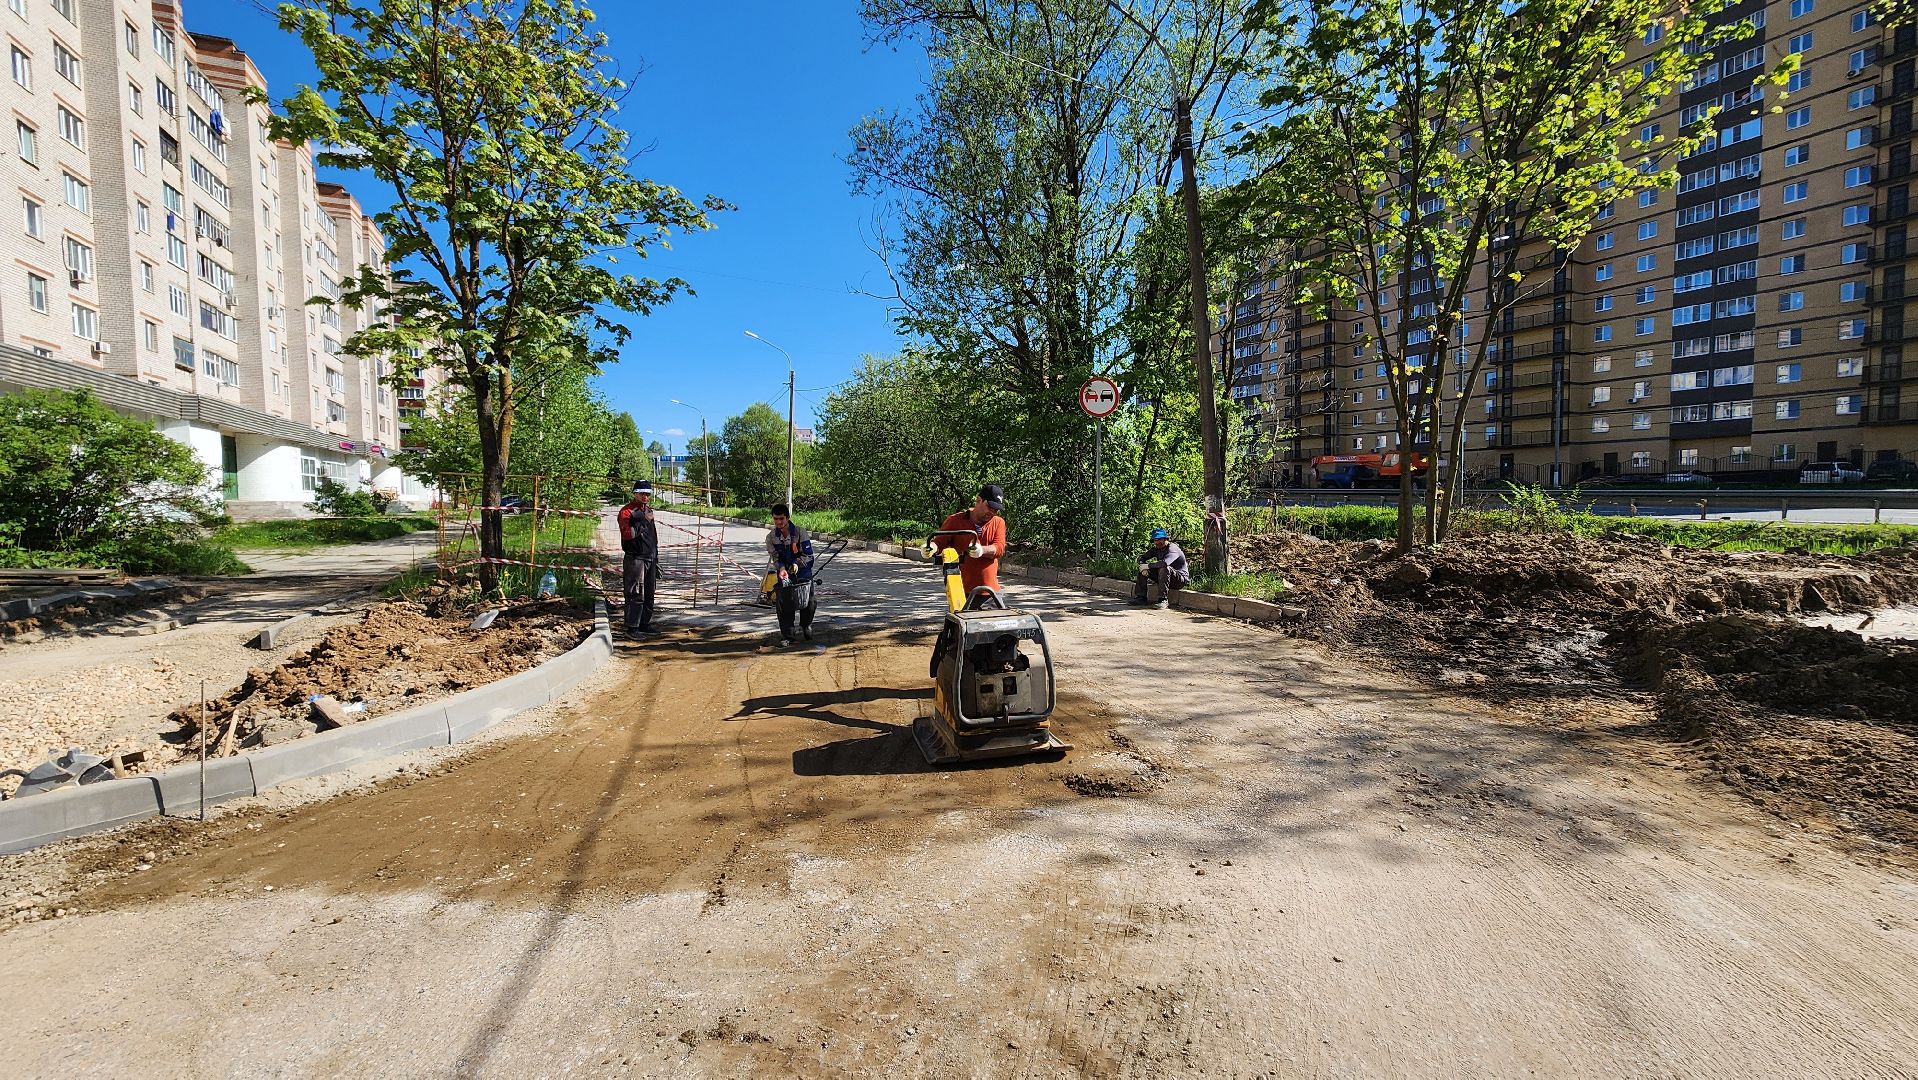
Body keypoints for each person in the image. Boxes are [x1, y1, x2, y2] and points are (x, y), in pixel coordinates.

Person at [934, 484, 1007, 601]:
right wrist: (930, 548)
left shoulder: (998, 523)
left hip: (990, 593)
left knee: (995, 619)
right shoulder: (955, 521)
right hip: (959, 592)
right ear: (978, 500)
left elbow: (999, 548)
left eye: (996, 510)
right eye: (989, 507)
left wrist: (982, 550)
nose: (992, 512)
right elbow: (939, 542)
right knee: (961, 619)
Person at [764, 503, 817, 645]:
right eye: (775, 519)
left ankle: (806, 625)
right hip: (785, 573)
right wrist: (781, 569)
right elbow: (775, 558)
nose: (778, 522)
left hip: (803, 570)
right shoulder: (771, 538)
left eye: (781, 518)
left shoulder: (800, 532)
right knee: (784, 603)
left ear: (787, 518)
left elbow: (809, 556)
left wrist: (797, 563)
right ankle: (788, 635)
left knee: (809, 601)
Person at [617, 480, 660, 635]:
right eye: (642, 493)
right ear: (634, 493)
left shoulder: (647, 510)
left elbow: (653, 536)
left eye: (647, 494)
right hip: (635, 558)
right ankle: (632, 626)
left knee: (649, 593)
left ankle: (644, 623)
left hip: (650, 557)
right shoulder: (626, 512)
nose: (645, 496)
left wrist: (656, 556)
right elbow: (628, 535)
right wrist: (644, 521)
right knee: (636, 593)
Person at [1133, 527, 1189, 609]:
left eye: (1160, 539)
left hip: (1179, 580)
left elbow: (1165, 563)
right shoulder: (1156, 549)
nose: (1157, 542)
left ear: (1166, 539)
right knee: (1142, 569)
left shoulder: (1173, 549)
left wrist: (1148, 566)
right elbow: (1142, 557)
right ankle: (1141, 597)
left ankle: (1163, 600)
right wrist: (1143, 565)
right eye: (1155, 540)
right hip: (1164, 578)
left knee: (1164, 568)